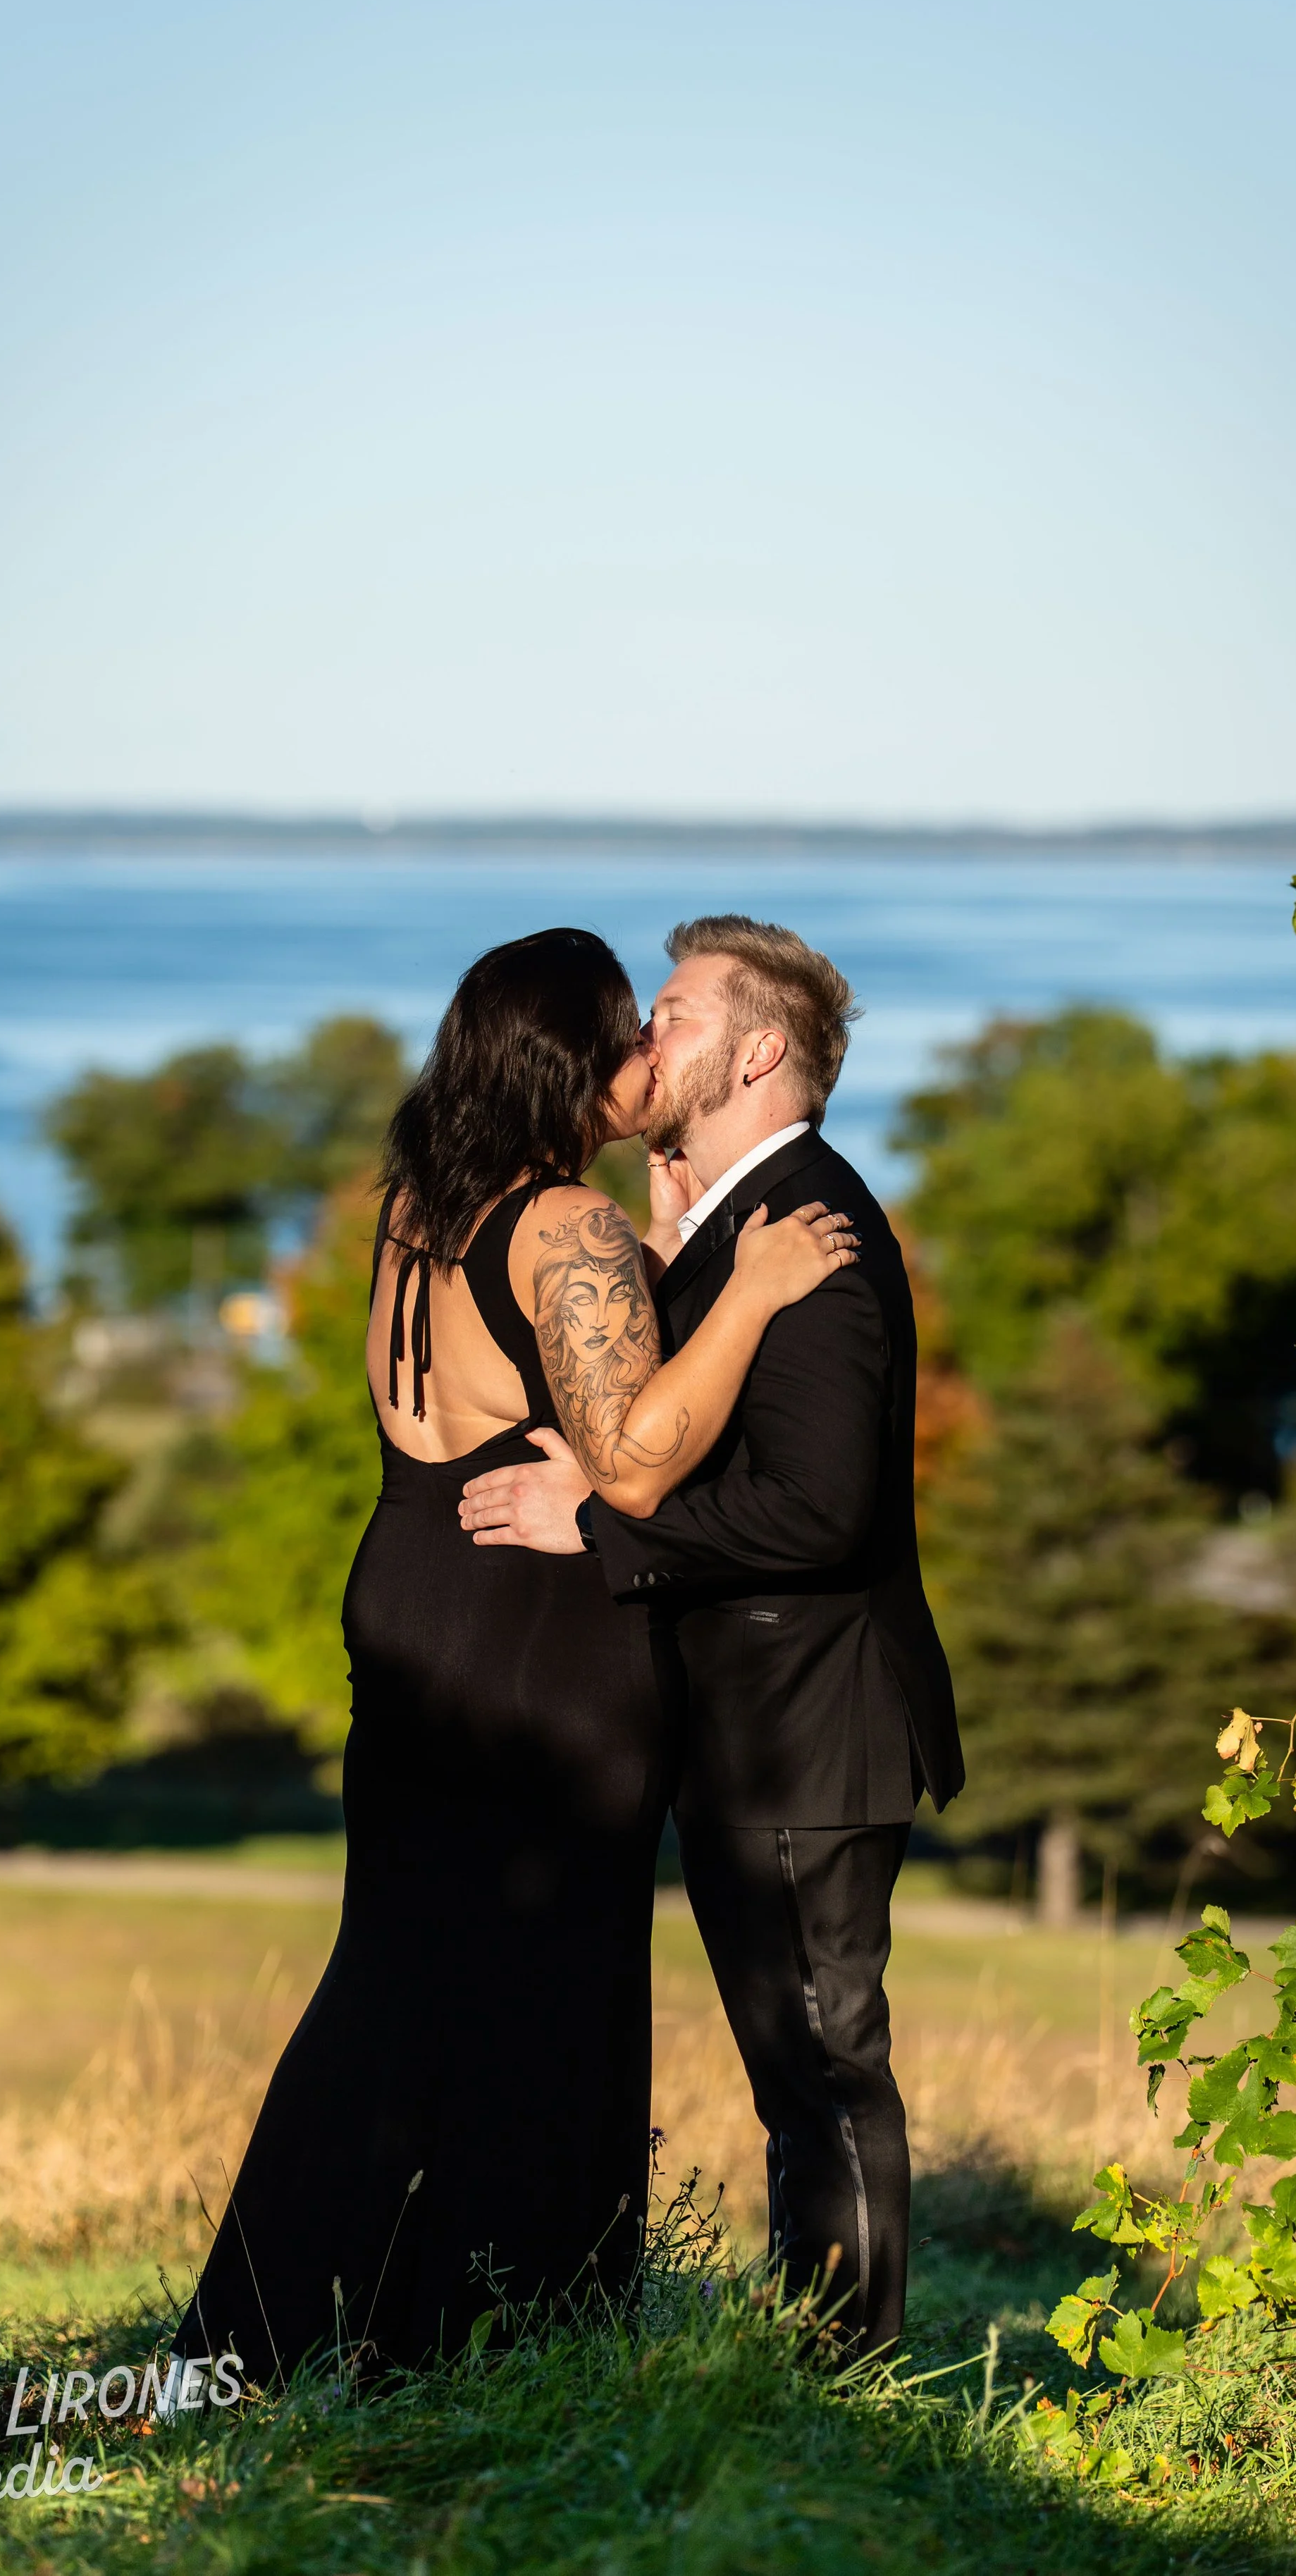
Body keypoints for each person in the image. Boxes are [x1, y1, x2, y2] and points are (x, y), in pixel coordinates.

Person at [173, 927, 858, 2382]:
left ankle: (281, 2328)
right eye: (628, 1038)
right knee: (550, 1980)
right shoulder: (562, 1227)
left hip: (409, 1587)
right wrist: (745, 1288)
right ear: (571, 1064)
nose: (646, 1062)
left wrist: (658, 1259)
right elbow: (632, 1469)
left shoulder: (420, 1202)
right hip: (530, 1635)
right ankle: (502, 2334)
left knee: (398, 1972)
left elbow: (513, 1378)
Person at [459, 915, 963, 2358]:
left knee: (822, 2072)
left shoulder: (815, 1234)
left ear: (754, 1052)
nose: (639, 1044)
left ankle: (843, 2372)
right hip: (759, 1729)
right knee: (794, 2077)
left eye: (667, 1016)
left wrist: (597, 1528)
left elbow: (818, 1513)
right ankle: (817, 2350)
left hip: (807, 1730)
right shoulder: (747, 1221)